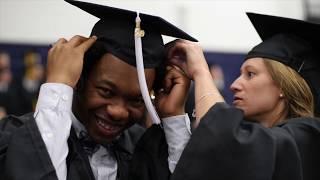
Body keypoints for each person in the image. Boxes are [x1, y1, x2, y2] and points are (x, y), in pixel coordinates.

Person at [0, 0, 196, 180]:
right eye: (106, 92)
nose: (117, 111)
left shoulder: (143, 149)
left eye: (136, 100)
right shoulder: (14, 139)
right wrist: (58, 86)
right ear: (79, 77)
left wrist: (174, 118)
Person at [134, 13, 320, 180]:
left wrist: (200, 72)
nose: (234, 85)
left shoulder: (310, 139)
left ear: (284, 86)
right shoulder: (264, 143)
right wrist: (174, 115)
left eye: (251, 74)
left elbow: (225, 142)